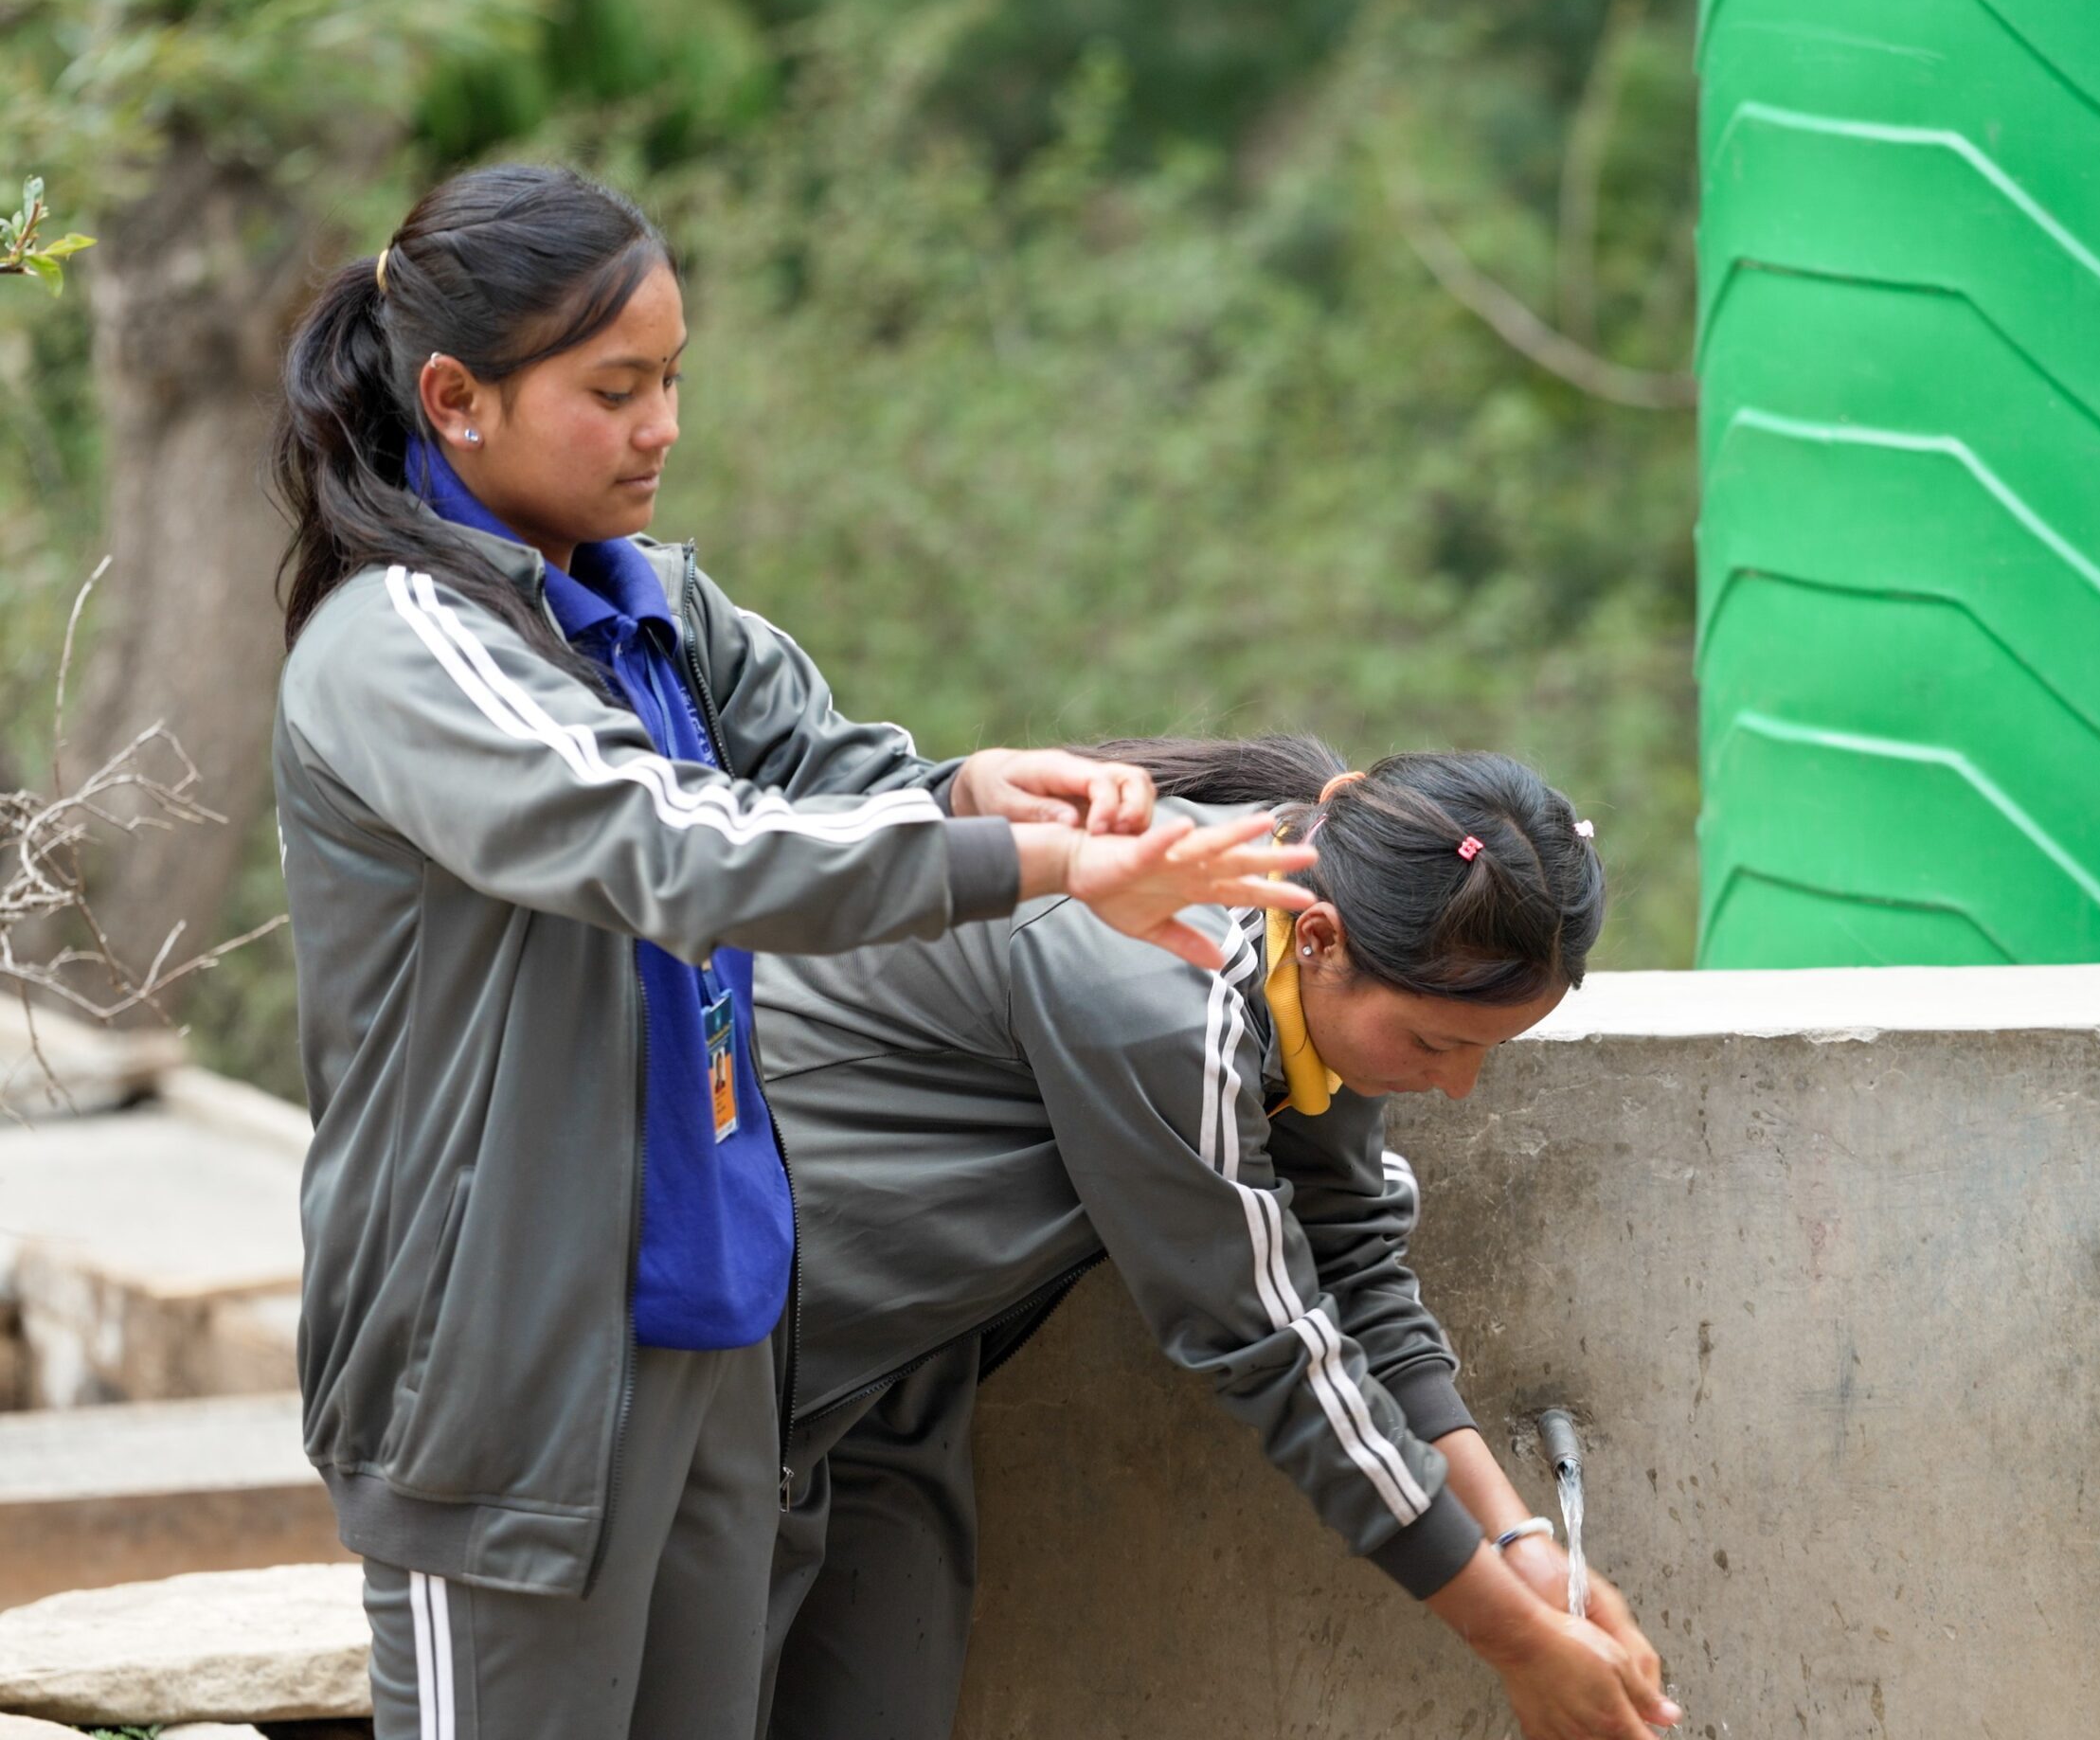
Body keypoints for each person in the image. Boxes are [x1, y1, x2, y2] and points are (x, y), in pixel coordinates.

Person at [267, 164, 1316, 1740]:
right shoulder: (400, 645)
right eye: (614, 389)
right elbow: (672, 848)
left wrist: (972, 787)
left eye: (673, 381)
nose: (662, 427)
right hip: (503, 1366)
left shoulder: (649, 607)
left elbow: (817, 779)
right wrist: (1037, 862)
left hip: (705, 1326)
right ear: (455, 399)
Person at [753, 736, 1681, 1740]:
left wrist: (1519, 1545)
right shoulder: (1161, 988)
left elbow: (1347, 1260)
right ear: (1322, 938)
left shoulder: (1304, 977)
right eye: (1435, 1043)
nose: (1455, 1086)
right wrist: (1514, 1642)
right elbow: (1263, 1337)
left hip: (897, 1373)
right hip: (740, 1351)